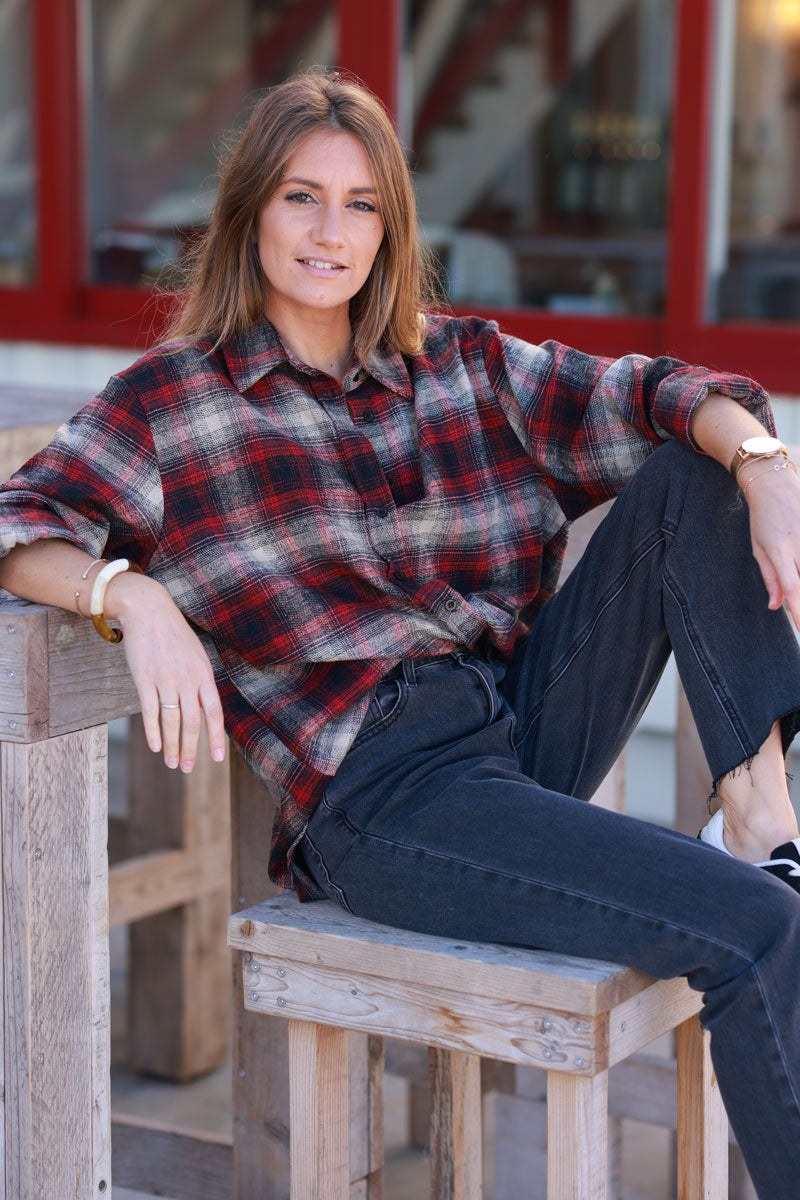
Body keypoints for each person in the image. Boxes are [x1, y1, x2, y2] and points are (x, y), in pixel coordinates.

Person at [0, 70, 799, 1195]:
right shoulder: (171, 405)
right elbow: (20, 521)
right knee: (756, 931)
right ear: (249, 213)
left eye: (361, 204)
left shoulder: (458, 364)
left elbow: (654, 391)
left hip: (518, 719)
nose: (332, 232)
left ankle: (760, 811)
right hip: (384, 795)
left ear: (391, 227)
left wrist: (765, 465)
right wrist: (128, 594)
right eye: (300, 198)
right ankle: (764, 879)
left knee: (694, 465)